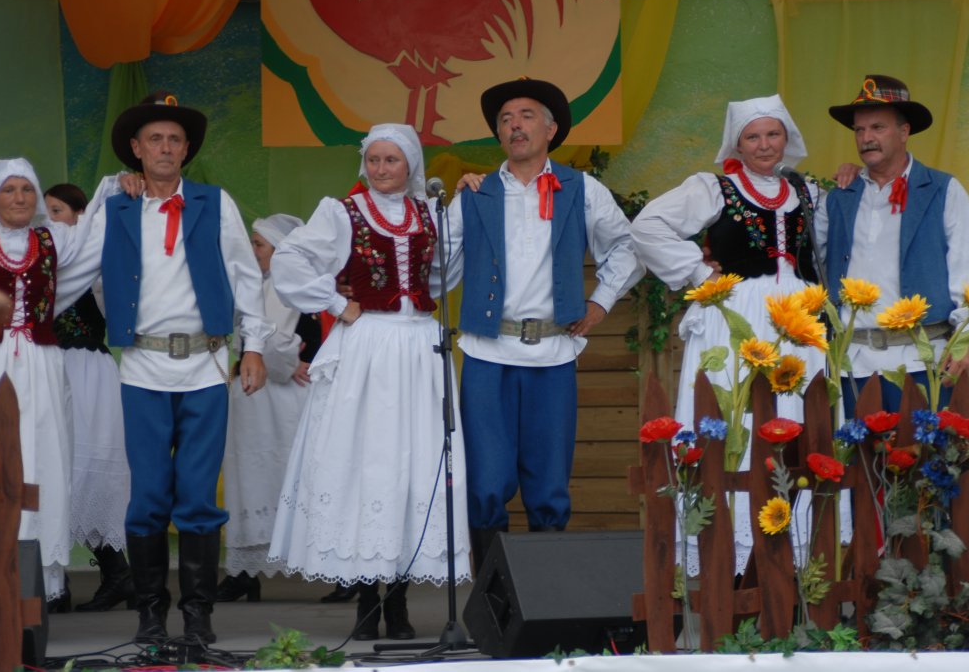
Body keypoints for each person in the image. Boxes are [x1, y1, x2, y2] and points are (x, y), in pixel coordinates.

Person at [56, 91, 272, 645]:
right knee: (149, 496)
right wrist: (23, 315)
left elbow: (245, 275)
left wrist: (253, 346)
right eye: (155, 138)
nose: (166, 147)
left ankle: (198, 617)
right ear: (136, 148)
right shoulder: (118, 206)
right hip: (143, 369)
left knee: (198, 497)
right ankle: (150, 616)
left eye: (175, 139)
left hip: (205, 365)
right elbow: (75, 269)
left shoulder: (213, 202)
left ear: (186, 149)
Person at [267, 123, 471, 641]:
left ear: (410, 164)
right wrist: (336, 302)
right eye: (374, 160)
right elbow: (289, 259)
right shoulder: (342, 212)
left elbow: (441, 274)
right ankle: (364, 599)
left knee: (412, 466)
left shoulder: (430, 212)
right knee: (364, 463)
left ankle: (397, 601)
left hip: (419, 347)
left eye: (391, 160)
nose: (381, 169)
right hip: (366, 347)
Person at [630, 94, 838, 575]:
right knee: (733, 412)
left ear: (786, 138)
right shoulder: (714, 189)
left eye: (772, 134)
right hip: (736, 315)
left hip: (798, 320)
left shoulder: (809, 193)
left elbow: (826, 249)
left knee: (796, 413)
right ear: (737, 144)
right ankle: (734, 547)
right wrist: (698, 273)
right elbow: (648, 226)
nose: (764, 145)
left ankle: (792, 546)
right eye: (753, 136)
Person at [447, 79, 642, 571]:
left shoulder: (581, 188)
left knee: (549, 485)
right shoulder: (474, 194)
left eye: (526, 115)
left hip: (553, 354)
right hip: (488, 352)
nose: (515, 125)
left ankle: (545, 593)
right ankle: (492, 598)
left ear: (551, 130)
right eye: (506, 119)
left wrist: (599, 303)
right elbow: (436, 270)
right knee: (486, 482)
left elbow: (627, 247)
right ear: (498, 135)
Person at [821, 75, 969, 415]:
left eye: (878, 127)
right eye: (859, 130)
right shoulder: (839, 196)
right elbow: (810, 261)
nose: (866, 138)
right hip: (852, 364)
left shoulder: (942, 190)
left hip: (922, 360)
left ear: (904, 132)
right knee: (855, 451)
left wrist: (964, 339)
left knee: (923, 449)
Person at [0, 159, 96, 607]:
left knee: (43, 456)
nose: (19, 197)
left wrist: (118, 189)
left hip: (39, 360)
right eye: (9, 189)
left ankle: (41, 581)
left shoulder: (53, 239)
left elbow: (96, 234)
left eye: (26, 189)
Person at [217, 213, 320, 603]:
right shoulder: (255, 286)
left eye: (258, 243)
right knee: (250, 478)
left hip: (283, 402)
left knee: (288, 477)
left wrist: (286, 362)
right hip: (254, 399)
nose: (252, 249)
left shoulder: (288, 288)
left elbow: (279, 346)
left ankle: (342, 575)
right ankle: (244, 572)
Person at [47, 183, 134, 613]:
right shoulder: (42, 261)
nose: (49, 219)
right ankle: (54, 582)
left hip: (85, 370)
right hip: (49, 369)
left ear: (81, 216)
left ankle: (117, 574)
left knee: (88, 471)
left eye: (56, 210)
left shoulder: (95, 262)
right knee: (51, 471)